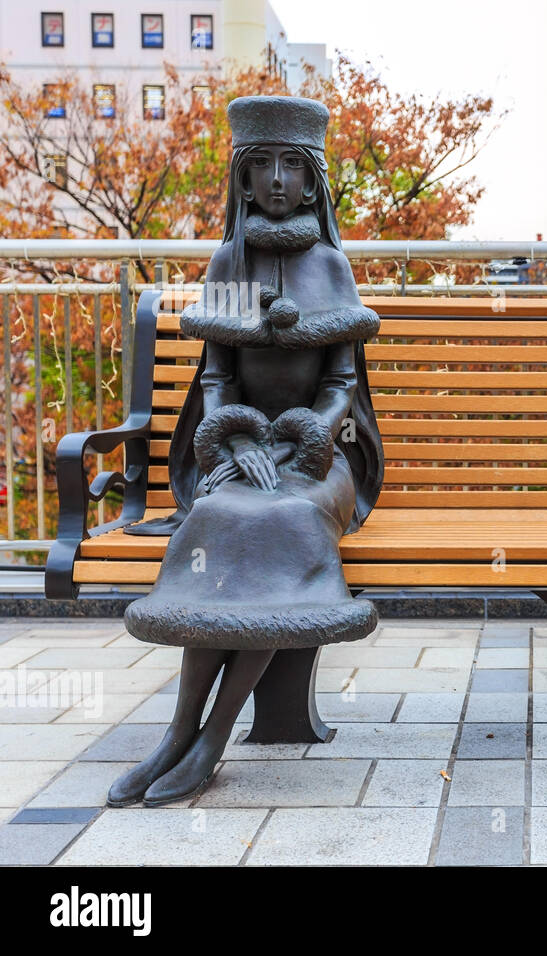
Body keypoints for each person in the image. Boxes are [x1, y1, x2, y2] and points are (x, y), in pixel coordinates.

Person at [109, 96, 384, 807]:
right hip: (236, 449)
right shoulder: (228, 262)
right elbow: (216, 378)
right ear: (241, 176)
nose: (277, 181)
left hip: (321, 460)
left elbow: (342, 387)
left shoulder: (331, 267)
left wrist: (308, 434)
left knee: (279, 523)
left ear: (314, 178)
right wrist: (232, 436)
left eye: (292, 165)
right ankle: (177, 733)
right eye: (260, 165)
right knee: (221, 516)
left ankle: (211, 739)